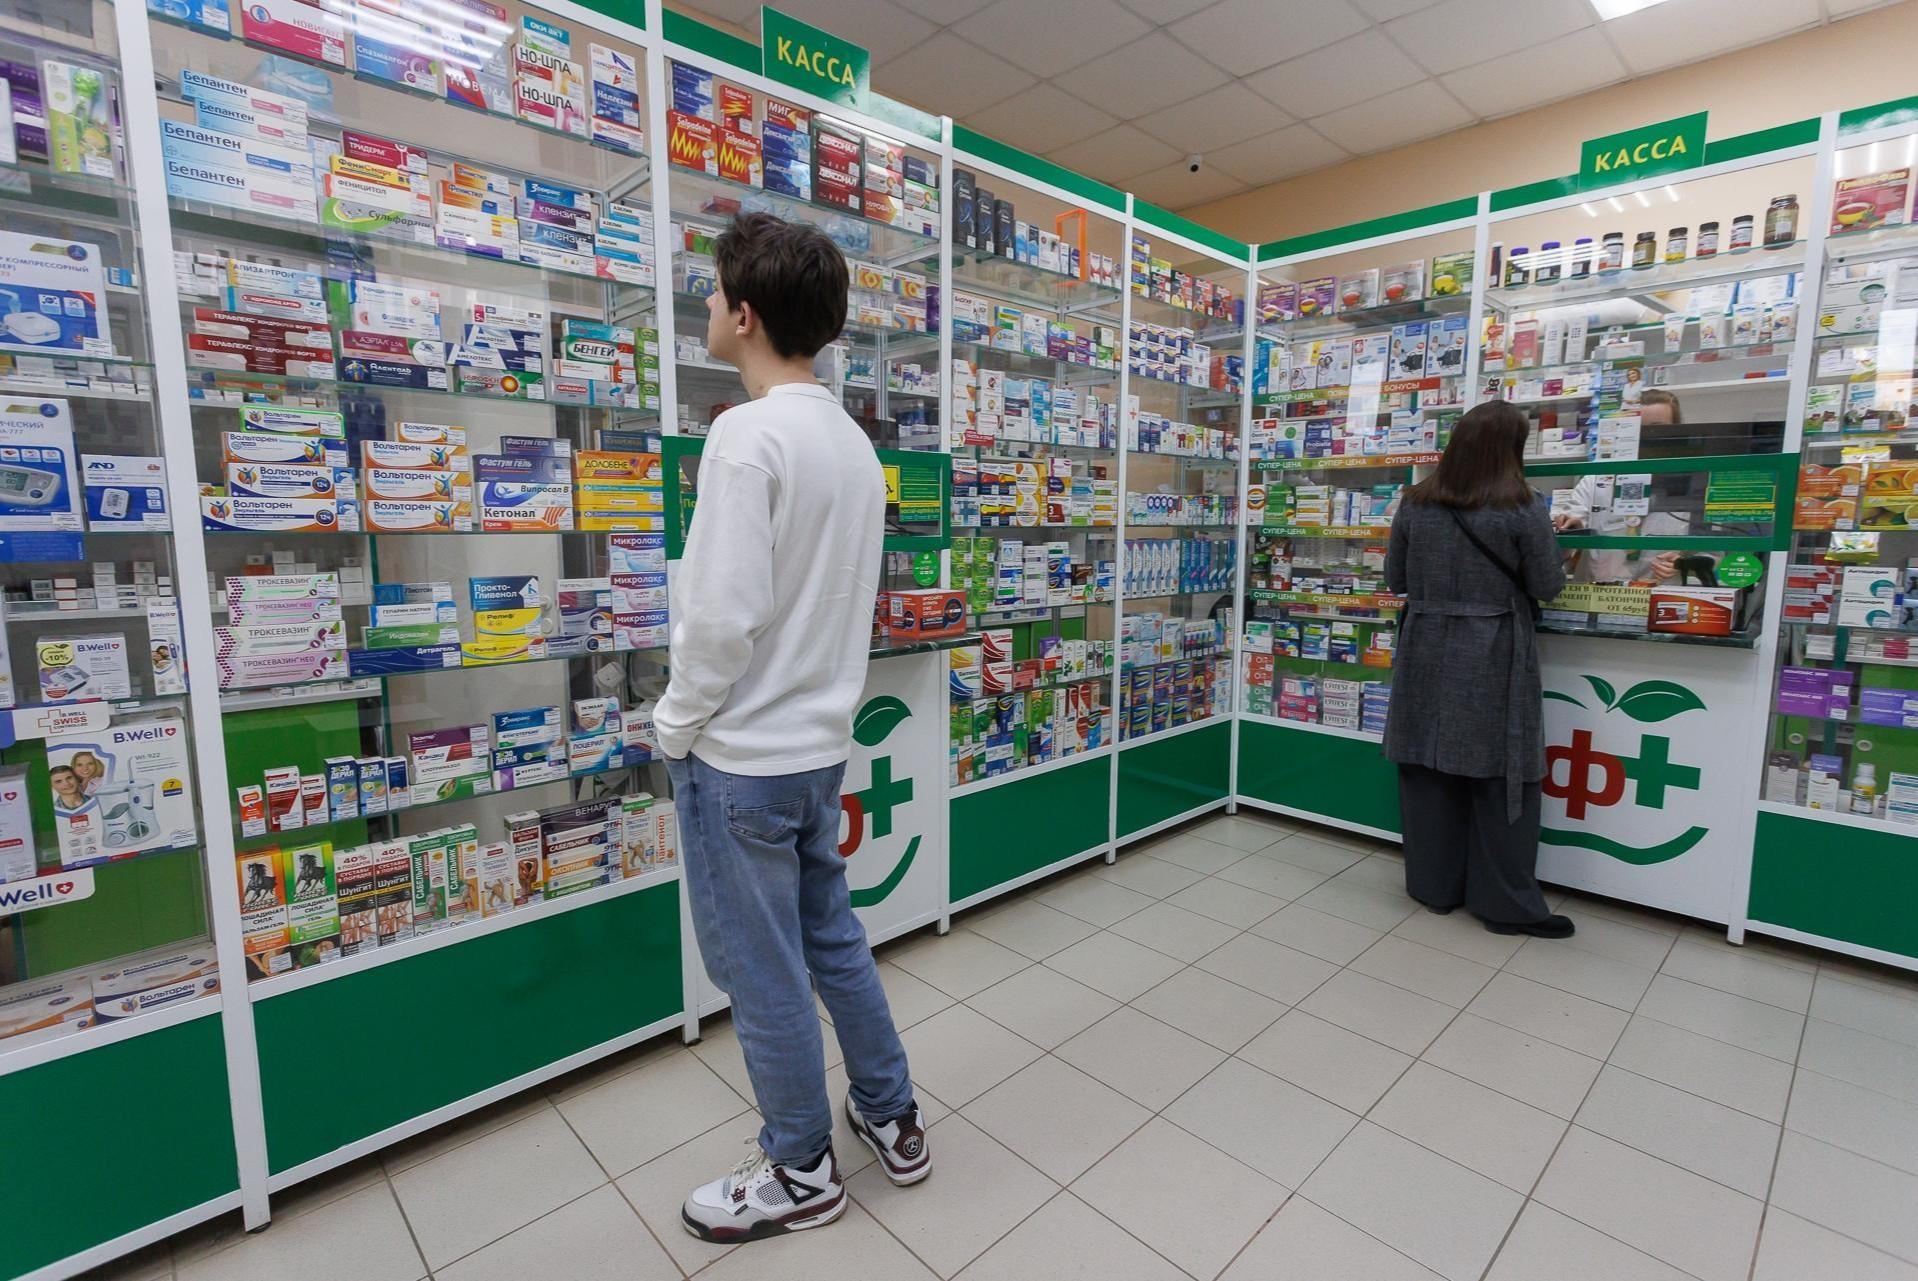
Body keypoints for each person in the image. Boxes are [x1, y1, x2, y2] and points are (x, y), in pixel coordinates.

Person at [656, 212, 926, 1245]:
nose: (707, 305)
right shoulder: (851, 442)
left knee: (761, 970)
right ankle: (892, 1115)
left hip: (742, 760)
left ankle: (801, 1167)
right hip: (817, 752)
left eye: (714, 291)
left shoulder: (746, 435)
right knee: (833, 941)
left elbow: (721, 619)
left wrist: (674, 722)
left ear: (746, 315)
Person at [1384, 400, 1574, 938]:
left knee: (1427, 767)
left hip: (1424, 643)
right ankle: (1505, 904)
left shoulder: (1415, 502)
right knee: (1501, 772)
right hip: (1494, 648)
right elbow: (1547, 585)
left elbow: (1396, 579)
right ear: (1512, 448)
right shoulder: (1523, 506)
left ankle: (1434, 888)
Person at [1554, 389, 1693, 584]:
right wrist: (1571, 531)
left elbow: (1712, 553)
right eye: (1637, 428)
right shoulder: (1596, 480)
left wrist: (1684, 563)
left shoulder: (1692, 486)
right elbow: (1563, 545)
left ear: (1676, 433)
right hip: (1598, 596)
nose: (1644, 437)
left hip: (1659, 596)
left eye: (1657, 429)